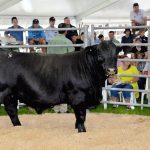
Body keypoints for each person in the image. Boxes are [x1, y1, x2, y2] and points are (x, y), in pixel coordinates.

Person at [47, 23, 74, 113]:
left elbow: (48, 55)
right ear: (66, 31)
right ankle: (63, 110)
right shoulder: (68, 42)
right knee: (65, 88)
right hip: (64, 69)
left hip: (52, 68)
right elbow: (72, 57)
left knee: (55, 88)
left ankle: (56, 109)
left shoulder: (51, 41)